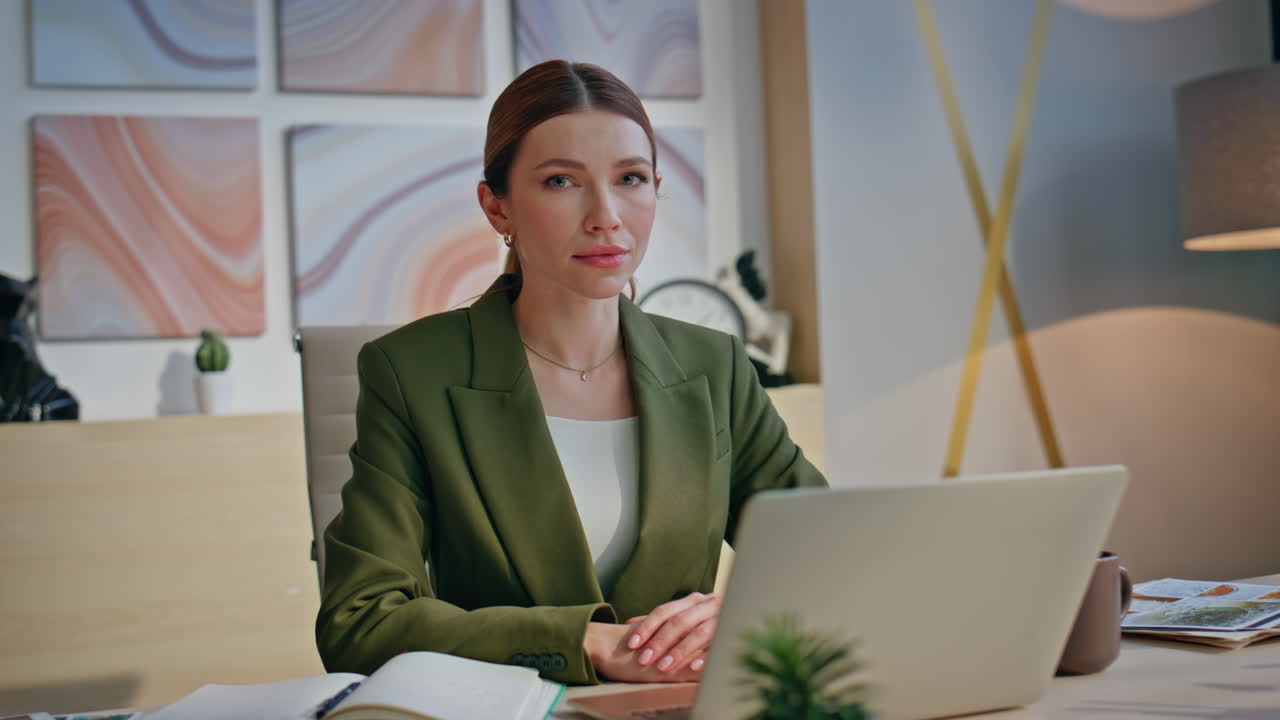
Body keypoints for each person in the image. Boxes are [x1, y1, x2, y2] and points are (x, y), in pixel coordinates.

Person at [315, 60, 826, 686]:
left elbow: (835, 553)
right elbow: (360, 622)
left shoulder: (714, 366)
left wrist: (742, 612)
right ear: (497, 207)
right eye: (561, 181)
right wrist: (585, 643)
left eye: (630, 178)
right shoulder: (411, 372)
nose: (606, 215)